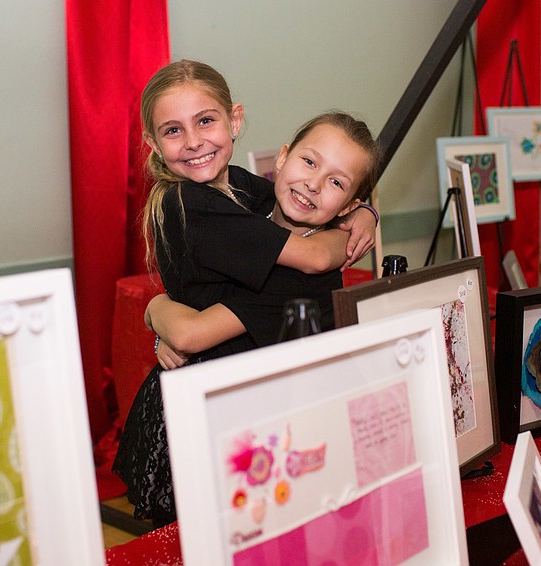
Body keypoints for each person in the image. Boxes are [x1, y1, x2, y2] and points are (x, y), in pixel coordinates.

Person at [112, 59, 379, 527]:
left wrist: (365, 214)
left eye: (206, 121)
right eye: (173, 130)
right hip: (204, 410)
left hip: (244, 403)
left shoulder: (240, 186)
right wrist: (156, 310)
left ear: (234, 121)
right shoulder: (188, 201)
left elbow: (301, 199)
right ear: (153, 143)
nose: (194, 142)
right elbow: (316, 259)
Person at [148, 111, 381, 368]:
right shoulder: (250, 200)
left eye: (336, 182)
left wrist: (156, 307)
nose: (314, 184)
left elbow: (187, 336)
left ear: (347, 207)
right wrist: (367, 213)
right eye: (309, 161)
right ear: (283, 157)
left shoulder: (301, 279)